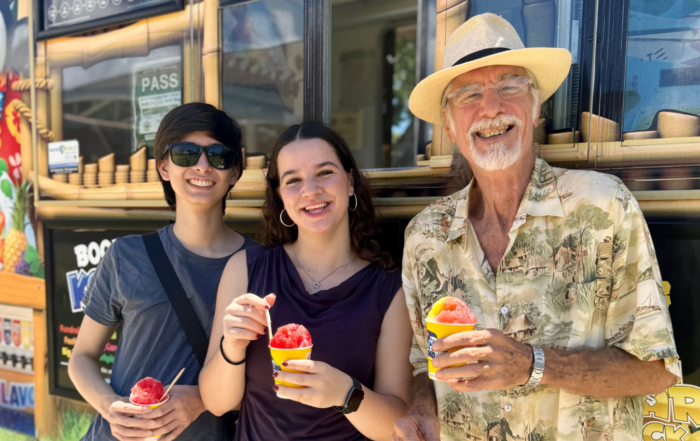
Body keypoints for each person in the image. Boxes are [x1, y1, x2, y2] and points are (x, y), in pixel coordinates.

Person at [393, 13, 679, 441]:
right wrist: (421, 411)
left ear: (535, 106)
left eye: (509, 86)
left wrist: (532, 363)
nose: (491, 107)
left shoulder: (604, 203)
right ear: (449, 124)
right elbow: (423, 363)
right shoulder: (424, 236)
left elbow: (656, 369)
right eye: (469, 93)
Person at [199, 121, 413, 441]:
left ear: (350, 182)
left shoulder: (389, 288)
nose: (310, 190)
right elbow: (217, 404)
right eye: (293, 180)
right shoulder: (245, 269)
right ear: (281, 197)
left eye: (325, 172)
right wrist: (232, 343)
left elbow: (398, 425)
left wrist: (346, 394)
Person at [68, 103, 256, 441]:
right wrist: (110, 406)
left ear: (235, 172)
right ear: (164, 167)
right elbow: (81, 357)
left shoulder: (261, 264)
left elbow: (268, 376)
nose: (202, 165)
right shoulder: (126, 255)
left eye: (218, 155)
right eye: (186, 153)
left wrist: (200, 400)